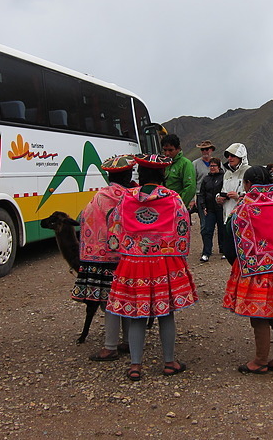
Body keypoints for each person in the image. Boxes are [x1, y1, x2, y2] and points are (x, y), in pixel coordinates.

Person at [105, 154, 198, 381]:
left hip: (133, 263)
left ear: (140, 175)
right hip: (164, 262)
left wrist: (127, 248)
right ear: (163, 175)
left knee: (137, 314)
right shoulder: (173, 199)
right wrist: (176, 251)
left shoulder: (126, 199)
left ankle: (135, 365)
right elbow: (183, 229)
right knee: (166, 314)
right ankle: (169, 362)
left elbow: (114, 227)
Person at [222, 165, 273, 374]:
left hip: (256, 270)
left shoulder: (244, 208)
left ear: (248, 184)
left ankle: (260, 361)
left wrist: (236, 263)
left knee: (259, 316)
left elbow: (231, 242)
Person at [79, 154, 136, 361]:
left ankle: (110, 346)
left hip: (102, 258)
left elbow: (86, 221)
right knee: (127, 297)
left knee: (111, 301)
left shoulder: (98, 198)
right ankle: (128, 341)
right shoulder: (131, 197)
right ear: (129, 174)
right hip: (128, 256)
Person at [216, 143, 250, 258]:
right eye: (228, 156)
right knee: (230, 250)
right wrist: (219, 198)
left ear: (241, 157)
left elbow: (254, 195)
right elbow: (223, 190)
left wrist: (239, 197)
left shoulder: (249, 172)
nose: (229, 158)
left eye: (233, 156)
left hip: (244, 217)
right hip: (228, 215)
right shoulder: (227, 174)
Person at [197, 157, 226, 263]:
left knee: (222, 230)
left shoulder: (224, 178)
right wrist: (203, 206)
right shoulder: (206, 179)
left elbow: (225, 191)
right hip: (209, 209)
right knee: (207, 230)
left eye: (214, 166)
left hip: (220, 208)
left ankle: (223, 250)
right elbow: (202, 194)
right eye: (211, 166)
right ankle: (206, 252)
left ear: (219, 166)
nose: (212, 168)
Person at [161, 134, 196, 208]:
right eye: (165, 150)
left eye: (170, 150)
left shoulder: (185, 164)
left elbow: (190, 187)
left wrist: (179, 204)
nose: (167, 153)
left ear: (178, 149)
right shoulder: (162, 163)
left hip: (178, 207)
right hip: (164, 206)